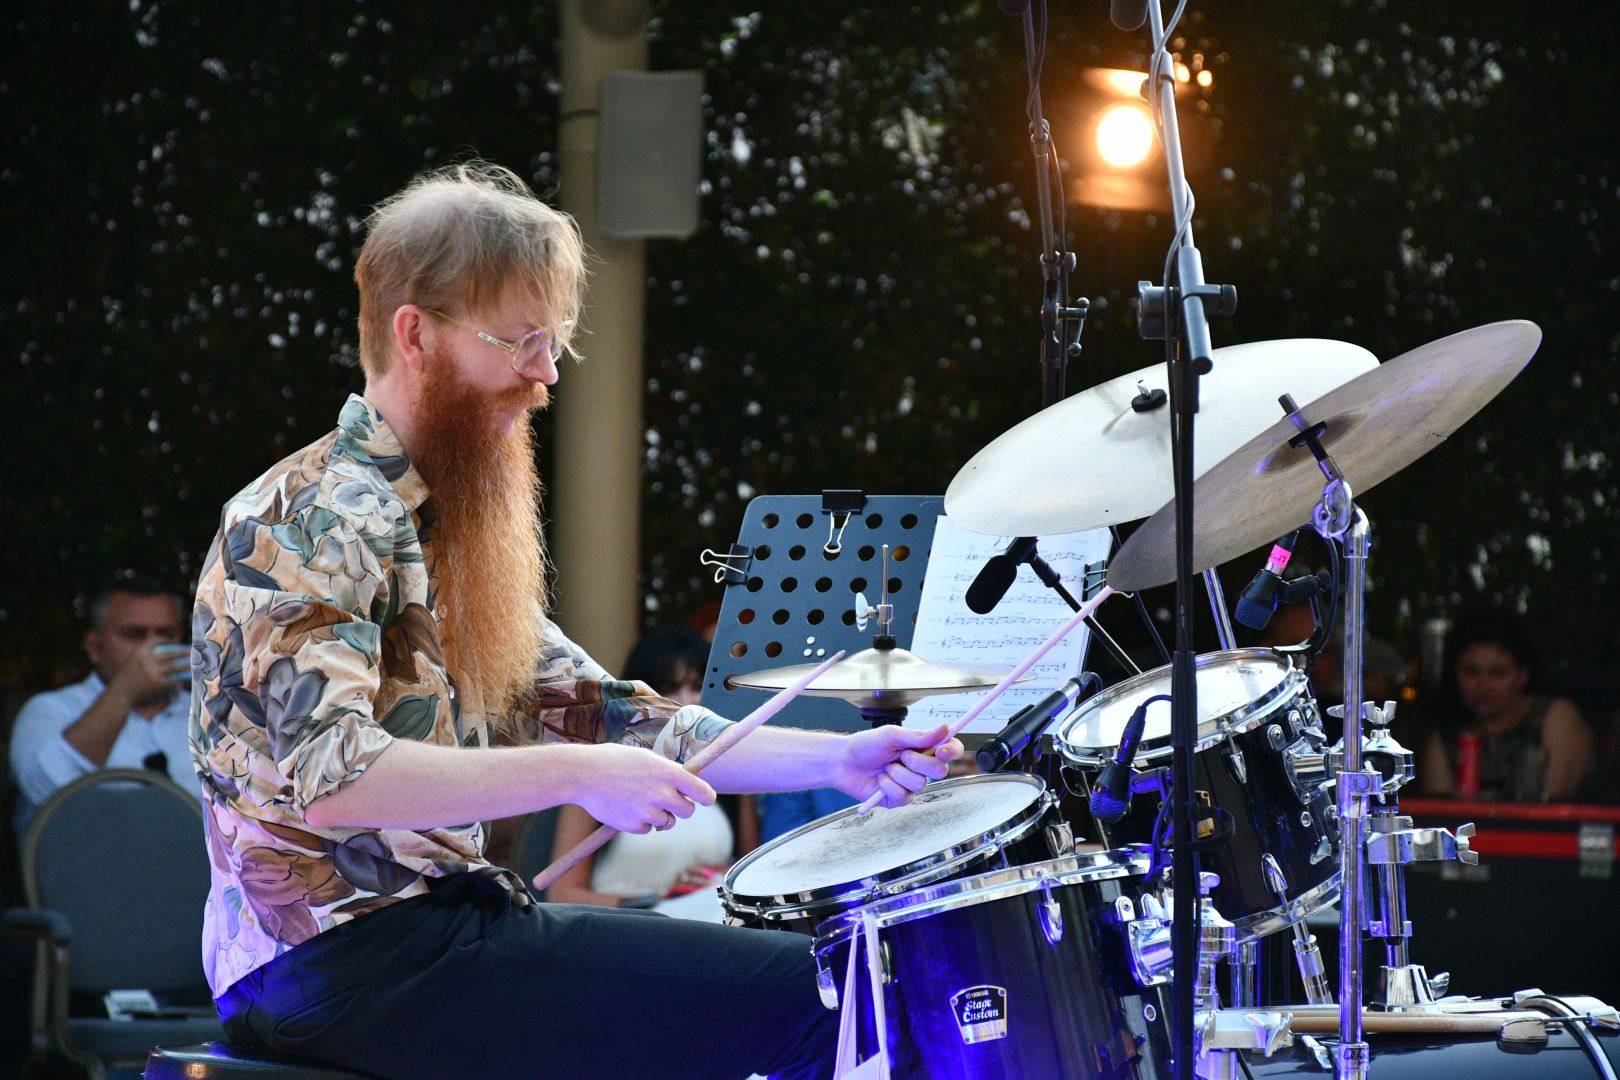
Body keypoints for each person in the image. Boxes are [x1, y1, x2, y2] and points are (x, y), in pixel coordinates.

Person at [188, 161, 961, 1080]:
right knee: (836, 1000)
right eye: (518, 343)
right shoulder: (309, 513)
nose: (546, 377)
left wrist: (834, 760)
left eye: (552, 346)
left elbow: (620, 714)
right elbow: (335, 779)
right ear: (416, 335)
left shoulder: (441, 525)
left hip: (419, 948)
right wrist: (581, 775)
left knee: (835, 989)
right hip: (339, 963)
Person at [546, 624, 759, 912]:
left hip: (709, 929)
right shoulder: (603, 765)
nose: (686, 703)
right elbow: (562, 892)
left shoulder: (726, 766)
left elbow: (752, 872)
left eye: (697, 687)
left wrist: (723, 879)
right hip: (622, 932)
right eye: (669, 688)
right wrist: (654, 904)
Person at [9, 575, 194, 836]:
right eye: (134, 635)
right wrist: (125, 691)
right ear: (94, 647)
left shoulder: (213, 716)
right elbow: (43, 791)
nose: (152, 648)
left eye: (166, 634)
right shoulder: (50, 710)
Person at [1418, 608, 1593, 802]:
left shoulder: (1554, 716)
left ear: (1522, 676)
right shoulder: (1446, 738)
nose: (1483, 686)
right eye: (1471, 672)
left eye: (1498, 673)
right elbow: (1442, 817)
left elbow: (1552, 805)